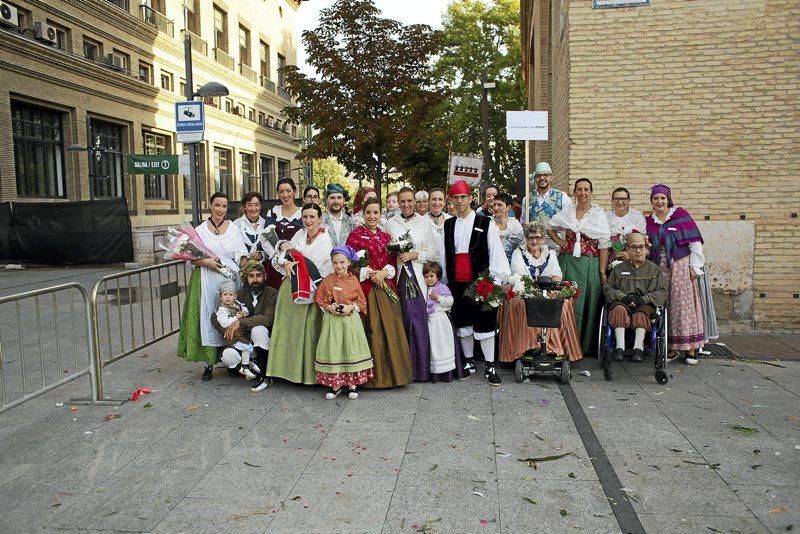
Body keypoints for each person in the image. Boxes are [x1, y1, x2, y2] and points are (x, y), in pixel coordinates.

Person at [440, 180, 511, 385]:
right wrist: (444, 281)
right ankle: (469, 361)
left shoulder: (485, 223)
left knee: (485, 322)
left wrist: (494, 280)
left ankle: (490, 365)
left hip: (481, 282)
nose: (460, 201)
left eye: (463, 197)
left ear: (471, 198)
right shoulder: (448, 224)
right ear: (451, 200)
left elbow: (495, 251)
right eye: (456, 197)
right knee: (463, 321)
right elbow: (445, 254)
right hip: (457, 282)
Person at [177, 192, 248, 381]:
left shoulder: (232, 228)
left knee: (230, 316)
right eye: (217, 205)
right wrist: (206, 262)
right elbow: (191, 258)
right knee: (208, 317)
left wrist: (244, 265)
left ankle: (231, 361)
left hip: (228, 278)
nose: (220, 210)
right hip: (206, 278)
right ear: (210, 205)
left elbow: (240, 251)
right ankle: (208, 363)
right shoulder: (200, 230)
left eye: (224, 206)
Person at [346, 198, 413, 388]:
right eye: (369, 212)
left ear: (380, 215)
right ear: (363, 214)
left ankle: (394, 375)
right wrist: (367, 272)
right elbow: (349, 263)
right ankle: (370, 379)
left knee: (391, 329)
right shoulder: (355, 236)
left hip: (385, 286)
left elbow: (392, 261)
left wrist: (384, 273)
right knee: (371, 329)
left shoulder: (386, 237)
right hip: (365, 288)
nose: (372, 216)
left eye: (376, 213)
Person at [266, 203, 334, 384]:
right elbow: (279, 256)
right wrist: (284, 263)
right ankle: (284, 370)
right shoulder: (299, 235)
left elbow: (322, 269)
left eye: (312, 217)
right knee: (287, 330)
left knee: (307, 331)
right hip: (289, 288)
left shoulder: (325, 239)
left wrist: (293, 262)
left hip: (310, 291)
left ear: (320, 218)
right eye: (305, 217)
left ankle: (306, 374)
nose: (308, 220)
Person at [500, 223, 583, 362]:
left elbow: (556, 273)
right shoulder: (518, 252)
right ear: (525, 238)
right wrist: (534, 288)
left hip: (547, 288)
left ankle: (554, 348)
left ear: (543, 239)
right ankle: (525, 348)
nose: (534, 241)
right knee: (519, 303)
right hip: (525, 288)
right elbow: (518, 274)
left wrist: (553, 286)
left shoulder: (549, 254)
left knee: (563, 302)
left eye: (538, 238)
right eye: (531, 238)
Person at [547, 178, 611, 354]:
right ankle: (562, 343)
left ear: (591, 192)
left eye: (586, 189)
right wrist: (561, 242)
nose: (583, 192)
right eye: (579, 189)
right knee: (566, 302)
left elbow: (604, 245)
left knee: (587, 303)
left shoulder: (598, 214)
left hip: (590, 263)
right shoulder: (567, 212)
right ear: (574, 192)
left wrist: (602, 271)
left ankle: (584, 345)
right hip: (568, 262)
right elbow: (550, 227)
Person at [385, 187, 440, 382]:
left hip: (417, 275)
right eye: (403, 201)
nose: (406, 205)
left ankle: (420, 368)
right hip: (399, 277)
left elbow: (435, 253)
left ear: (415, 202)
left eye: (410, 201)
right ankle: (403, 367)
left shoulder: (425, 223)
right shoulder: (390, 223)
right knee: (402, 320)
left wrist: (415, 255)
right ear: (398, 202)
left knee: (418, 320)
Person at [646, 184, 705, 365]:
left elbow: (695, 242)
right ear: (652, 201)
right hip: (660, 267)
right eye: (656, 198)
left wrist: (695, 267)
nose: (659, 201)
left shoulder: (681, 217)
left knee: (683, 305)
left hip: (680, 265)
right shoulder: (650, 221)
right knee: (666, 305)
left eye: (663, 198)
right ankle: (672, 346)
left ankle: (691, 348)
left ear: (668, 199)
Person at [315, 245, 374, 400]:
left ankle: (352, 384)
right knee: (335, 350)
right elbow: (320, 299)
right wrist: (329, 307)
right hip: (333, 322)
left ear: (348, 262)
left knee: (350, 348)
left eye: (342, 262)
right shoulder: (328, 280)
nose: (339, 266)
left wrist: (350, 307)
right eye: (335, 263)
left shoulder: (353, 280)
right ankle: (336, 385)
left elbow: (362, 301)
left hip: (350, 321)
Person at [211, 260, 278, 392]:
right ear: (246, 278)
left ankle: (265, 377)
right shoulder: (239, 294)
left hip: (264, 339)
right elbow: (215, 316)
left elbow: (268, 319)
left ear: (264, 276)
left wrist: (240, 323)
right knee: (227, 356)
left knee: (259, 330)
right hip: (243, 339)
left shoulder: (272, 294)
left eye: (258, 275)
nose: (255, 279)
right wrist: (228, 330)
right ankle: (248, 368)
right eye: (251, 276)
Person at [603, 231, 667, 362]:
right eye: (634, 247)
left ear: (646, 249)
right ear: (627, 249)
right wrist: (622, 297)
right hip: (622, 302)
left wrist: (644, 299)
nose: (638, 251)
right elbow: (608, 288)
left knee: (642, 313)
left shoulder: (654, 270)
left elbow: (662, 291)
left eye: (641, 247)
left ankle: (638, 349)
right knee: (618, 310)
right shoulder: (618, 269)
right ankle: (619, 348)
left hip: (644, 304)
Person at [213, 278, 257, 379]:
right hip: (233, 335)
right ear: (220, 297)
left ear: (235, 296)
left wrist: (244, 312)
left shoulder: (237, 304)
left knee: (249, 346)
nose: (228, 297)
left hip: (242, 332)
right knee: (246, 347)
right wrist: (236, 318)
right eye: (225, 295)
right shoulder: (222, 310)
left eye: (230, 295)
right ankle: (245, 366)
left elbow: (244, 309)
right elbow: (224, 323)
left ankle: (249, 363)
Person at [264, 178, 303, 289]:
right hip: (275, 265)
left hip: (296, 264)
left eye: (288, 191)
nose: (285, 195)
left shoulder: (303, 213)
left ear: (294, 192)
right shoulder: (272, 213)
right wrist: (278, 258)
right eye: (281, 191)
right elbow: (266, 238)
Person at [423, 261, 458, 381]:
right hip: (430, 322)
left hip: (440, 322)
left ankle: (446, 372)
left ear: (437, 275)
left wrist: (438, 298)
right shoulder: (425, 288)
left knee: (442, 345)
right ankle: (434, 372)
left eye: (432, 276)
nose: (429, 279)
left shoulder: (442, 288)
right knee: (433, 347)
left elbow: (450, 302)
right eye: (426, 276)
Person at [523, 162, 572, 231]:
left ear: (551, 178)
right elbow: (523, 221)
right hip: (534, 240)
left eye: (546, 175)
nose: (542, 178)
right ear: (535, 178)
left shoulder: (562, 197)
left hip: (556, 241)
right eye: (538, 175)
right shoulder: (527, 199)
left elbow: (569, 223)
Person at [606, 187, 647, 265]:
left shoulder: (637, 217)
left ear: (628, 200)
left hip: (634, 259)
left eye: (623, 199)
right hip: (611, 259)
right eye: (616, 199)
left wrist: (629, 254)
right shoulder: (606, 217)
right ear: (612, 200)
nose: (620, 202)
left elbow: (643, 241)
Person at [232, 192, 267, 263]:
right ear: (245, 207)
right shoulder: (236, 224)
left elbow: (270, 248)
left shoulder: (266, 224)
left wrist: (261, 255)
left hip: (262, 269)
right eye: (249, 205)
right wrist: (243, 258)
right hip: (242, 267)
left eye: (256, 205)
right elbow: (232, 247)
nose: (253, 208)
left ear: (260, 206)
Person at [492, 192, 524, 263]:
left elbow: (522, 246)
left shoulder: (515, 224)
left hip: (512, 264)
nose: (496, 208)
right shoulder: (488, 223)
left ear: (508, 207)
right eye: (494, 204)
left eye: (499, 205)